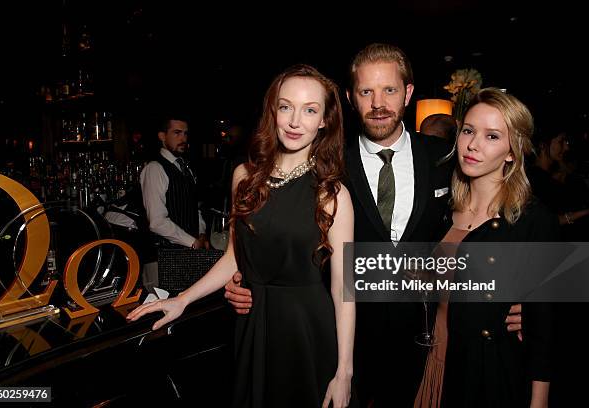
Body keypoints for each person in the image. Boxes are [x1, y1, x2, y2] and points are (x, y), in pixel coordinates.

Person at [224, 43, 524, 407]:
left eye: (390, 90)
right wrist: (244, 280)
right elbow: (276, 230)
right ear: (350, 98)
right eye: (367, 92)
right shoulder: (324, 167)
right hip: (342, 339)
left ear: (408, 94)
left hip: (425, 338)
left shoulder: (445, 158)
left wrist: (525, 295)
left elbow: (493, 217)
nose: (378, 103)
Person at [128, 64, 356, 408]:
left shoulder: (332, 193)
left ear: (324, 120)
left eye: (310, 110)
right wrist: (182, 299)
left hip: (306, 329)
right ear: (273, 111)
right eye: (285, 106)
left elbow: (344, 288)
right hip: (253, 325)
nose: (295, 121)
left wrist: (344, 372)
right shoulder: (243, 177)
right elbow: (235, 255)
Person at [424, 88, 555, 408]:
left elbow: (546, 333)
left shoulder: (532, 221)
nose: (473, 145)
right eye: (468, 131)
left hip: (486, 374)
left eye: (492, 136)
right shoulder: (438, 209)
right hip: (430, 363)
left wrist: (538, 402)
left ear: (512, 151)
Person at [139, 116, 209, 291]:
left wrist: (201, 233)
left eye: (185, 134)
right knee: (161, 313)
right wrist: (192, 242)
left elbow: (195, 207)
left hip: (188, 255)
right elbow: (156, 222)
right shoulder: (155, 169)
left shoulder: (186, 167)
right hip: (162, 258)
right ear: (162, 136)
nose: (183, 139)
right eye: (177, 133)